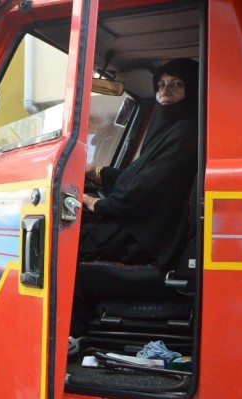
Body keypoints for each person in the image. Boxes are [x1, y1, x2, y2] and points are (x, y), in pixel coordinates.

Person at [78, 58, 199, 269]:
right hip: (142, 227)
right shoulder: (169, 130)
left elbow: (148, 187)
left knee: (67, 237)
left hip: (146, 238)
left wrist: (96, 204)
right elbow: (141, 176)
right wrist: (97, 173)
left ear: (193, 88)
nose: (165, 91)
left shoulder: (187, 132)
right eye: (160, 85)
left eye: (177, 84)